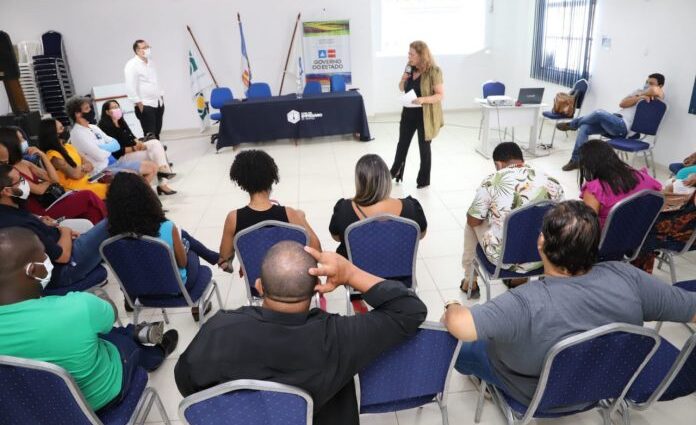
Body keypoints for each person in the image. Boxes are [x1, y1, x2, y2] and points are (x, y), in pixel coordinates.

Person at [444, 201, 696, 408]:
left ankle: (488, 383)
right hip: (603, 386)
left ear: (541, 243)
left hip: (535, 395)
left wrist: (452, 306)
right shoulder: (628, 276)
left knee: (459, 348)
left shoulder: (524, 302)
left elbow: (461, 326)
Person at [174, 241, 427, 425]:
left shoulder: (218, 330)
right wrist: (350, 273)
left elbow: (186, 383)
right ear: (317, 288)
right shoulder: (338, 336)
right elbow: (409, 310)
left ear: (259, 286)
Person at [0, 226, 178, 411]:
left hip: (37, 412)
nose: (47, 259)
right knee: (114, 339)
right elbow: (111, 314)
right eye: (43, 255)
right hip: (101, 397)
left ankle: (135, 332)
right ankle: (155, 351)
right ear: (32, 270)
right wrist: (95, 305)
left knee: (89, 334)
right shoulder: (77, 306)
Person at [106, 172, 219, 320]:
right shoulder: (166, 227)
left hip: (141, 291)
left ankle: (216, 258)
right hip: (176, 289)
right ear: (146, 197)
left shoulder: (111, 238)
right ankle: (197, 306)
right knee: (192, 254)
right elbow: (182, 263)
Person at [461, 142, 564, 298]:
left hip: (503, 261)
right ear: (522, 160)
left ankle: (470, 280)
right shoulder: (552, 182)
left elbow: (473, 221)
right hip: (544, 257)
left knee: (471, 221)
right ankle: (518, 281)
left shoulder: (491, 181)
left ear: (498, 164)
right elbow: (563, 222)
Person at [0, 164, 109, 289]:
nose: (25, 182)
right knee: (111, 223)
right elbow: (62, 257)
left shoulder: (11, 209)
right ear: (7, 191)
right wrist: (65, 232)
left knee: (97, 228)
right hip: (64, 268)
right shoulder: (18, 225)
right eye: (20, 180)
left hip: (60, 246)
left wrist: (43, 221)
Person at [218, 149, 321, 271]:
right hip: (290, 280)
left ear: (241, 182)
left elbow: (224, 259)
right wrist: (302, 218)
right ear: (272, 177)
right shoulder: (289, 214)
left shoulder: (233, 218)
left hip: (256, 282)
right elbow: (317, 252)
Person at [558, 73, 665, 171]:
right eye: (646, 82)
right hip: (614, 121)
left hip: (623, 127)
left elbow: (655, 91)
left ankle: (573, 124)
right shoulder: (638, 92)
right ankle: (576, 160)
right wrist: (640, 96)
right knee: (584, 127)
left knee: (599, 113)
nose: (647, 85)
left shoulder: (658, 97)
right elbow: (622, 104)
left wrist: (645, 93)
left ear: (660, 86)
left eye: (651, 83)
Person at [0, 127, 106, 224]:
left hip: (52, 202)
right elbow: (39, 190)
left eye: (23, 138)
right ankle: (110, 223)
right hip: (41, 212)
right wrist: (49, 181)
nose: (24, 141)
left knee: (91, 210)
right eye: (20, 139)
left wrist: (42, 155)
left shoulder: (25, 163)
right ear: (12, 144)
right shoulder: (10, 171)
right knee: (87, 195)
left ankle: (99, 232)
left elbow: (54, 179)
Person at [329, 154, 427, 258]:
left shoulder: (344, 210)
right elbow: (420, 235)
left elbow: (336, 237)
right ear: (387, 179)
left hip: (353, 269)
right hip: (396, 268)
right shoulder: (412, 208)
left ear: (359, 182)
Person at [65, 96, 162, 191]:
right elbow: (100, 156)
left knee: (152, 167)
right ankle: (139, 196)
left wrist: (101, 147)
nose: (91, 110)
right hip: (101, 171)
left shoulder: (93, 127)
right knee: (133, 175)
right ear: (77, 114)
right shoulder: (78, 133)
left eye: (90, 107)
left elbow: (116, 145)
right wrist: (108, 147)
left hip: (114, 163)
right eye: (87, 109)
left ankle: (140, 195)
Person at [390, 40, 444, 188]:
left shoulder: (434, 71)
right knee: (402, 144)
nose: (409, 57)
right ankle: (395, 171)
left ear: (421, 55)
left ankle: (423, 180)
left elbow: (440, 95)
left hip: (424, 116)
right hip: (408, 113)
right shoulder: (409, 68)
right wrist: (403, 80)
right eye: (408, 54)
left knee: (424, 148)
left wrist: (423, 99)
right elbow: (402, 88)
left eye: (411, 54)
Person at [98, 99, 176, 195]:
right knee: (154, 154)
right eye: (113, 107)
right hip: (121, 157)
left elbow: (132, 137)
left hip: (132, 151)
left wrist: (139, 143)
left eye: (117, 107)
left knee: (155, 143)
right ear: (107, 112)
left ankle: (162, 171)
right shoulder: (104, 126)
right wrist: (134, 148)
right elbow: (116, 151)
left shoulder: (121, 121)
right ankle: (162, 183)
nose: (117, 109)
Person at [578, 139, 662, 227]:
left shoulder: (594, 191)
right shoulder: (641, 176)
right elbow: (660, 197)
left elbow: (587, 228)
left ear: (588, 165)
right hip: (641, 230)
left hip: (608, 235)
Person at [632, 174, 696, 273]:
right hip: (679, 227)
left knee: (643, 233)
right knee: (642, 225)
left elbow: (678, 225)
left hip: (681, 239)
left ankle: (637, 273)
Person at [39, 118, 110, 200]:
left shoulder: (68, 146)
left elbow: (90, 165)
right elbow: (75, 175)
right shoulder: (53, 156)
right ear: (54, 134)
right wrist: (84, 168)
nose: (65, 129)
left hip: (88, 182)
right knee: (113, 189)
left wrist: (81, 169)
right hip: (77, 191)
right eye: (61, 128)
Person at [125, 39, 165, 140]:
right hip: (145, 104)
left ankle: (158, 149)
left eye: (148, 47)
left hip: (158, 103)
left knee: (157, 132)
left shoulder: (151, 62)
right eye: (144, 48)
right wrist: (140, 105)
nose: (147, 49)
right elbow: (130, 86)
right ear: (137, 51)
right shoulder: (132, 65)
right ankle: (153, 149)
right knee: (149, 134)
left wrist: (161, 97)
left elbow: (156, 81)